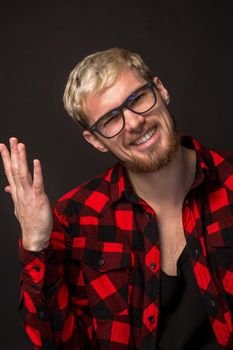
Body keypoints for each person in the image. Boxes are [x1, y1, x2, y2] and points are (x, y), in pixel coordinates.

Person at [0, 48, 232, 350]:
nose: (134, 123)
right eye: (110, 119)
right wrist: (35, 244)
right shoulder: (75, 218)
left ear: (160, 90)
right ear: (95, 140)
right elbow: (59, 344)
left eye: (138, 99)